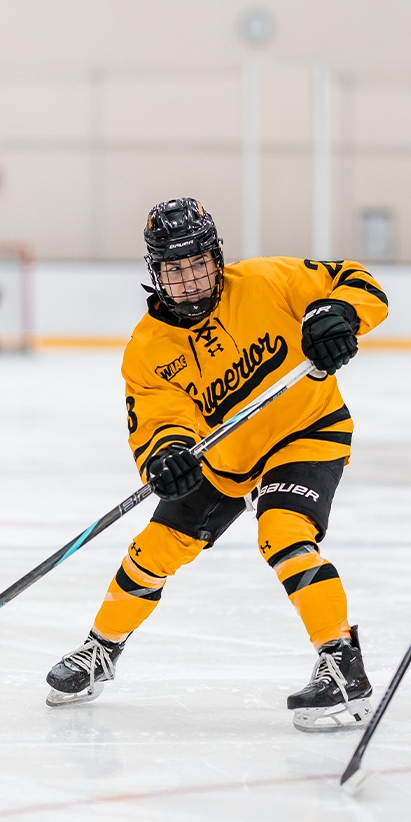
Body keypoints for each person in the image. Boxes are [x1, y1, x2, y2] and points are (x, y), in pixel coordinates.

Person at [42, 198, 389, 732]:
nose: (189, 279)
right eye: (173, 269)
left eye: (197, 263)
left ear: (216, 256)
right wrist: (166, 457)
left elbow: (354, 281)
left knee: (283, 531)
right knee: (152, 550)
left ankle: (342, 663)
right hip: (221, 457)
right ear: (155, 273)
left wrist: (337, 314)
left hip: (305, 430)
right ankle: (100, 650)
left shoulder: (267, 281)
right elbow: (159, 422)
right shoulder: (148, 351)